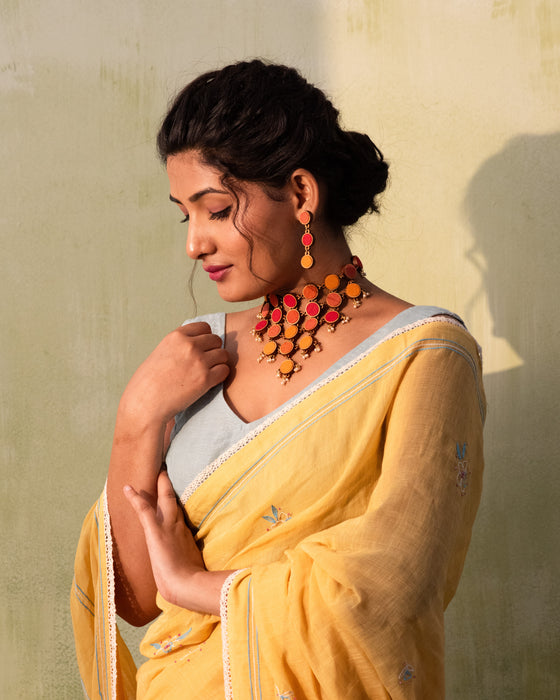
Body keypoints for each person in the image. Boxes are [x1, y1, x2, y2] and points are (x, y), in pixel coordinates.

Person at [71, 60, 485, 700]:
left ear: (299, 193)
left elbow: (393, 584)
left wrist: (195, 586)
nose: (195, 244)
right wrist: (136, 420)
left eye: (215, 209)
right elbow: (136, 599)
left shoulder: (422, 355)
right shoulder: (194, 357)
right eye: (186, 216)